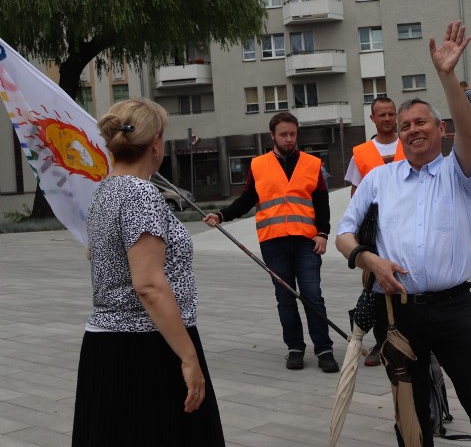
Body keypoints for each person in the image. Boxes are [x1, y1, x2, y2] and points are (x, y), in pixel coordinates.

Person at [336, 21, 471, 447]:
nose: (413, 129)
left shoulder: (460, 172)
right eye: (405, 126)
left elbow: (470, 128)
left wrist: (446, 75)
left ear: (440, 129)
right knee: (410, 417)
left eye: (422, 122)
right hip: (398, 314)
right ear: (397, 136)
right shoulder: (380, 179)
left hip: (455, 310)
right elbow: (345, 232)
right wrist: (369, 259)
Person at [73, 98, 225, 446]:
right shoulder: (141, 194)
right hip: (147, 348)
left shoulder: (105, 191)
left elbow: (96, 254)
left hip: (109, 345)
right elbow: (149, 285)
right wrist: (188, 357)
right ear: (155, 142)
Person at [203, 112, 339, 373]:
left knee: (313, 295)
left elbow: (322, 202)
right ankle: (295, 349)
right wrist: (221, 215)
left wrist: (323, 233)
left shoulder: (312, 164)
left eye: (293, 134)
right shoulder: (259, 165)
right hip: (274, 243)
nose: (289, 139)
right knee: (285, 298)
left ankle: (324, 350)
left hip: (306, 242)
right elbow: (246, 200)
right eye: (283, 135)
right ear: (272, 136)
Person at [344, 96, 405, 366]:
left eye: (391, 114)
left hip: (407, 227)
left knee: (408, 282)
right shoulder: (361, 153)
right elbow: (355, 195)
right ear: (373, 118)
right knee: (376, 286)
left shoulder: (410, 144)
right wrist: (357, 235)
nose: (387, 119)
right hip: (375, 232)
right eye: (382, 115)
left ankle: (410, 336)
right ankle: (383, 341)